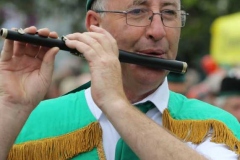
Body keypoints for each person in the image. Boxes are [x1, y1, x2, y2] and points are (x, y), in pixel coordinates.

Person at [0, 0, 240, 160]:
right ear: (95, 25)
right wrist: (11, 107)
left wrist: (114, 102)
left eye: (169, 13)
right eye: (137, 11)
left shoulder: (215, 125)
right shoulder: (29, 123)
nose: (158, 31)